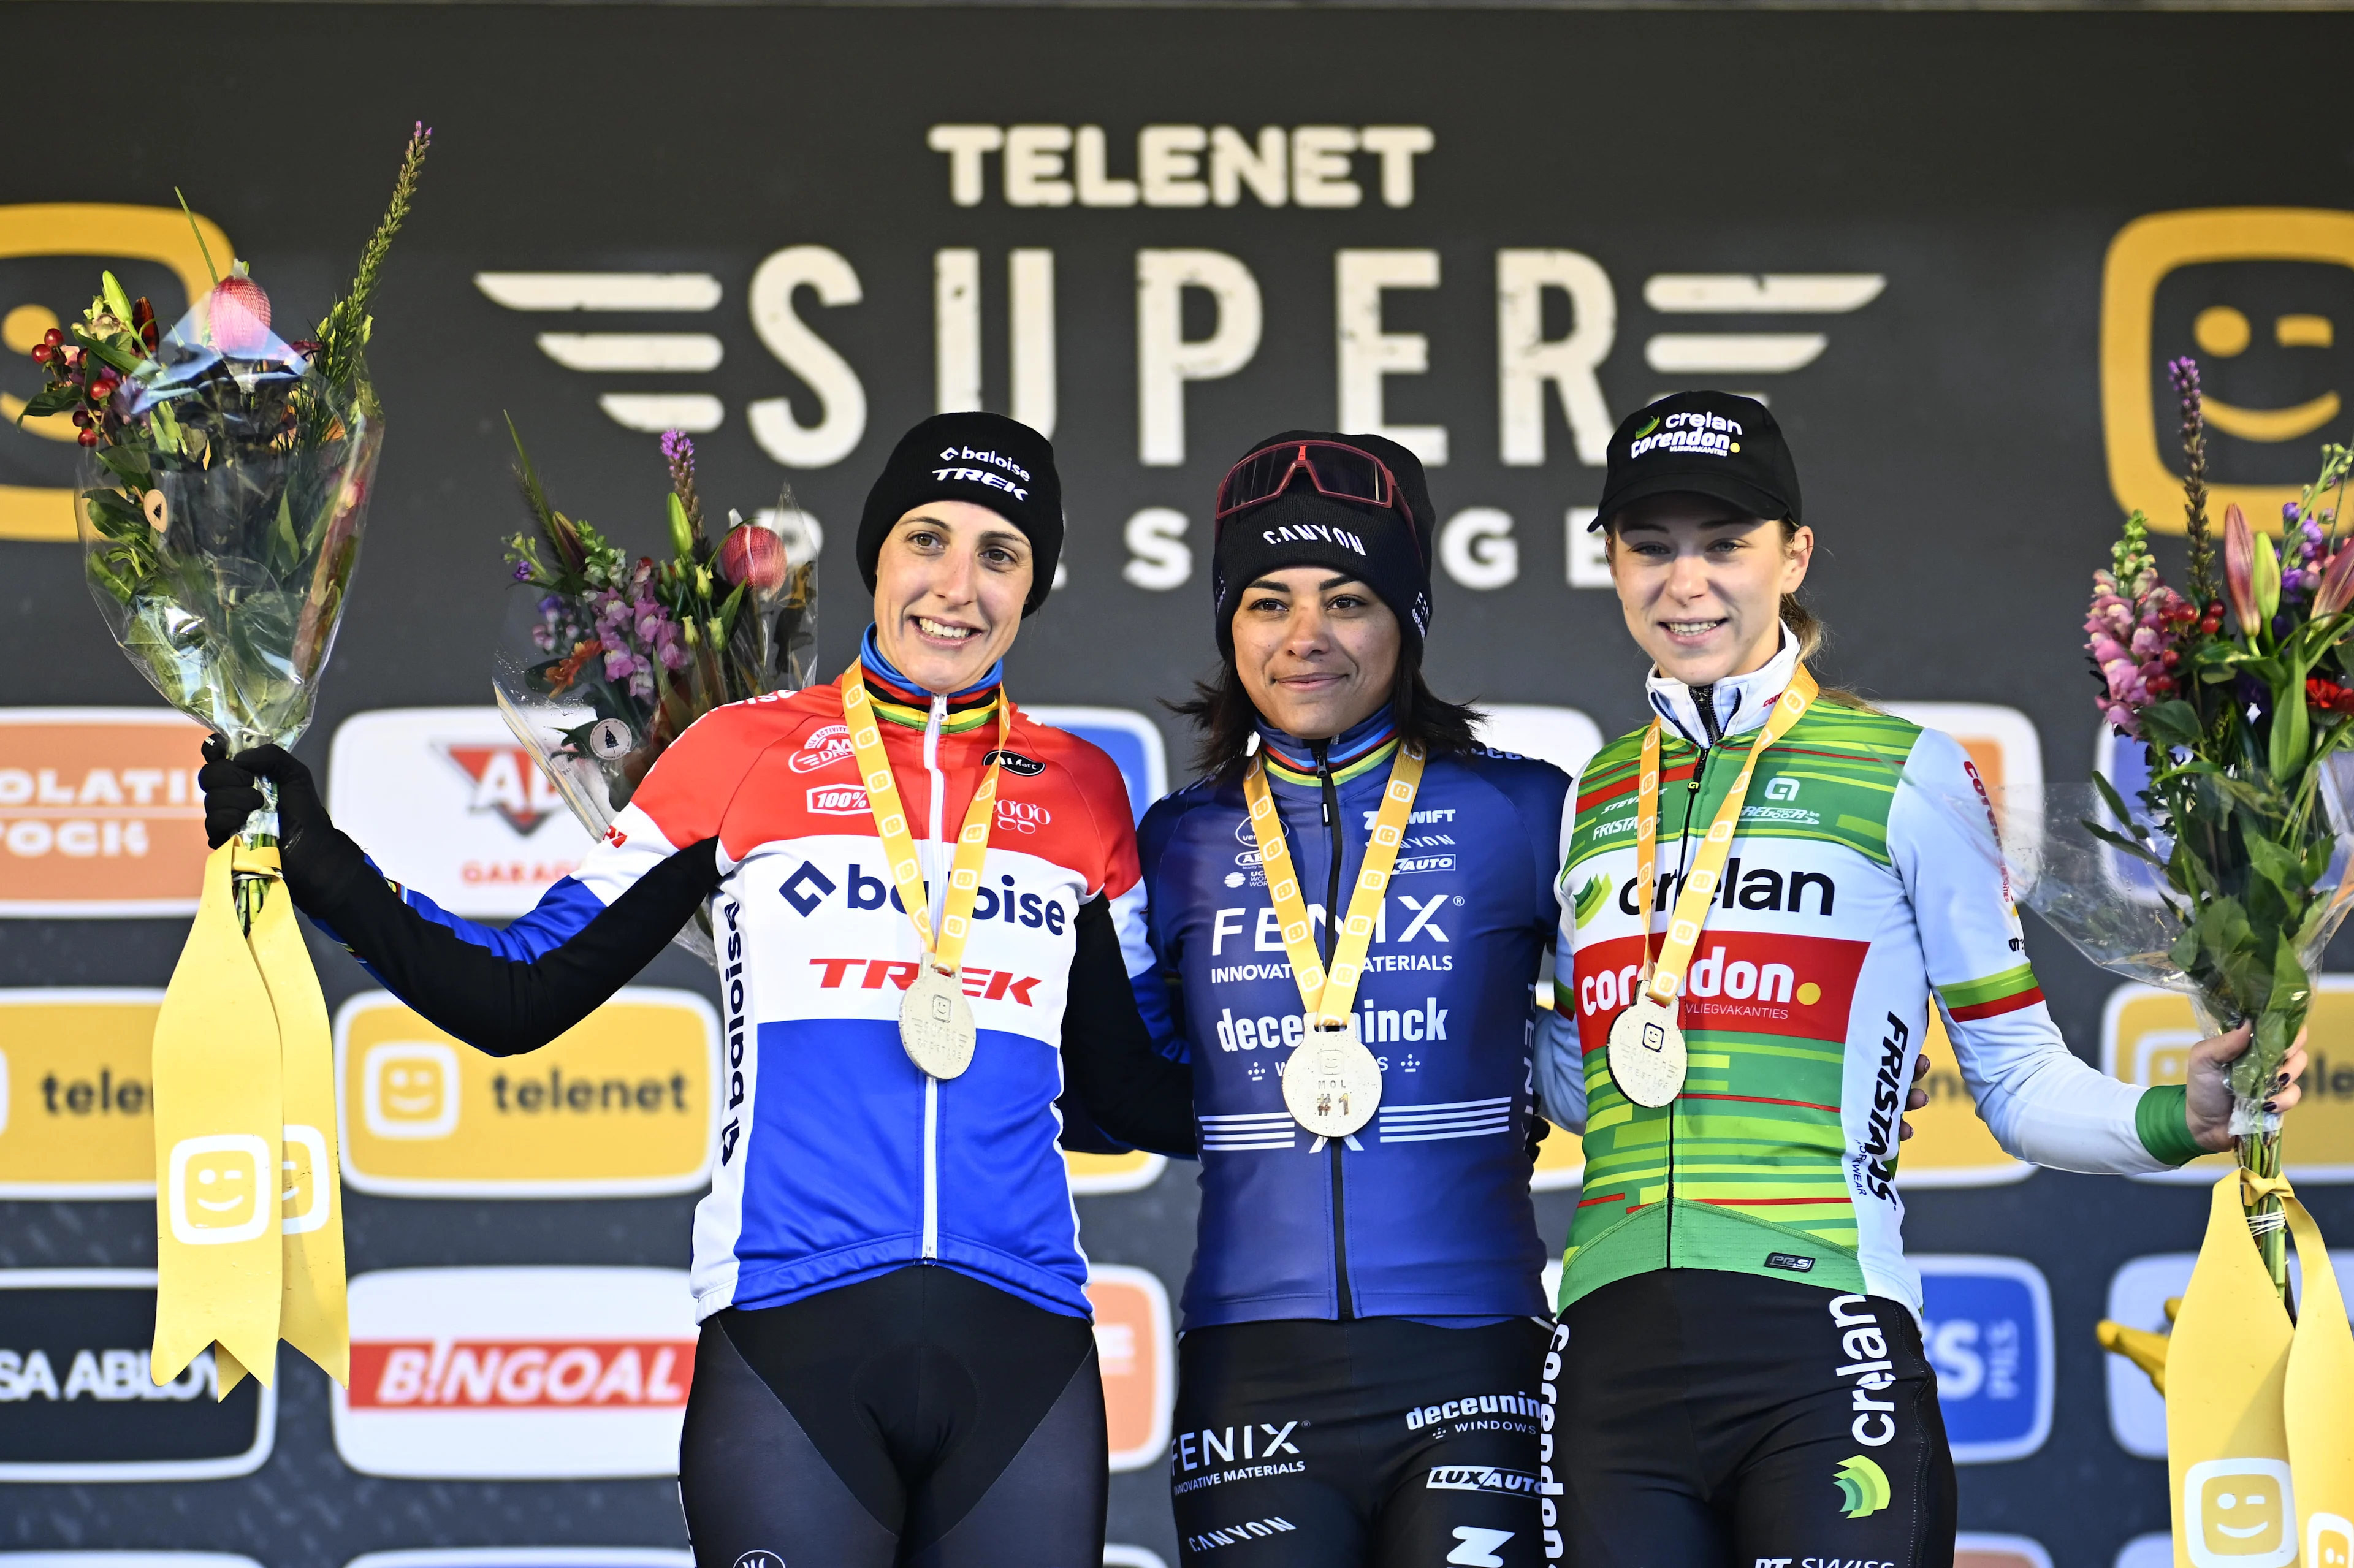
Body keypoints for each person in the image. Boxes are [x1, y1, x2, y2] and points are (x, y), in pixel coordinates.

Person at [198, 412, 1193, 1568]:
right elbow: (518, 996)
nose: (957, 586)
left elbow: (1136, 1095)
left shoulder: (1084, 790)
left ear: (1034, 586)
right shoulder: (739, 751)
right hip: (792, 1338)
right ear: (876, 553)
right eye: (928, 539)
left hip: (1025, 1349)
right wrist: (318, 857)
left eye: (1001, 553)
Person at [1533, 390, 2313, 1568]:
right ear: (1611, 561)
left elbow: (2012, 1075)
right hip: (1610, 1346)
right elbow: (1593, 1083)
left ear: (1791, 555)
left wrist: (2177, 1113)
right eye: (1650, 546)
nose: (1684, 581)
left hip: (1820, 1336)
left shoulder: (1907, 772)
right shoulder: (1591, 796)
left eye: (1724, 543)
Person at [1125, 431, 1568, 1567]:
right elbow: (1121, 1083)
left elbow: (1647, 1012)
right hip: (1250, 1366)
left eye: (1350, 600)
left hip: (1477, 1353)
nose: (1305, 637)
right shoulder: (1175, 841)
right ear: (1230, 625)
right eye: (1268, 601)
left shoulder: (1526, 813)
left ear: (1409, 622)